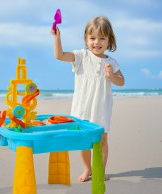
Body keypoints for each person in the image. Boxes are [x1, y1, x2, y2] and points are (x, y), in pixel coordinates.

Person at [51, 16, 125, 182]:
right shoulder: (80, 56)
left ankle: (99, 170)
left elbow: (121, 81)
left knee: (102, 139)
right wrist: (57, 38)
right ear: (86, 39)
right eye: (92, 38)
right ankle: (87, 169)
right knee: (83, 140)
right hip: (82, 108)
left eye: (102, 38)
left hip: (102, 108)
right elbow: (59, 55)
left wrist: (112, 76)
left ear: (109, 40)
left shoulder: (111, 62)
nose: (96, 42)